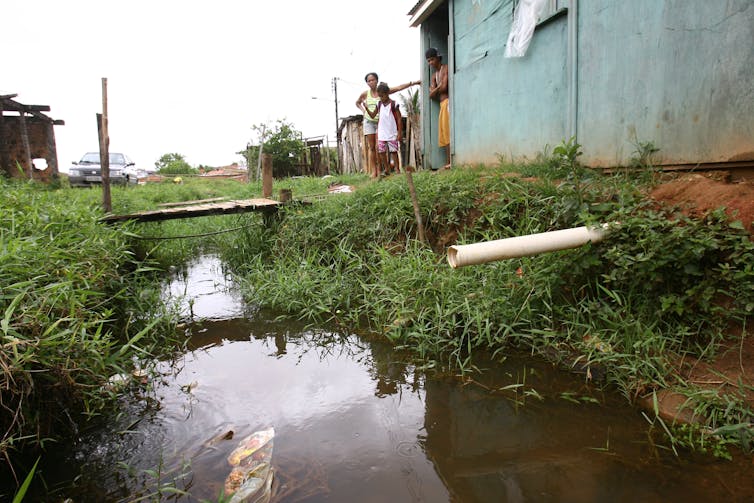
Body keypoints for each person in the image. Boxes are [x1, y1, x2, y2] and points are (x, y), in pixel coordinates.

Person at [356, 73, 419, 178]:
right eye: (369, 81)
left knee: (389, 150)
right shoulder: (370, 97)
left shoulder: (390, 99)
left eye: (373, 80)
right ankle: (379, 170)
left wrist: (414, 83)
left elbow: (399, 89)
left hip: (387, 128)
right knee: (376, 149)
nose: (371, 82)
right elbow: (363, 107)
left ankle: (392, 170)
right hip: (375, 126)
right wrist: (364, 110)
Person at [365, 82, 403, 176]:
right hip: (382, 132)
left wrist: (399, 133)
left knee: (393, 151)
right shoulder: (379, 104)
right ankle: (387, 169)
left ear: (387, 93)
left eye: (382, 96)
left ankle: (397, 170)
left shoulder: (394, 104)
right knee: (381, 151)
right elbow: (373, 115)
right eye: (380, 96)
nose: (381, 98)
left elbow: (399, 119)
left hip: (392, 131)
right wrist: (366, 108)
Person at [426, 47, 451, 169]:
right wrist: (437, 88)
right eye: (428, 61)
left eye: (431, 59)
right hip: (441, 105)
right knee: (444, 134)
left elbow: (445, 87)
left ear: (437, 57)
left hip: (447, 102)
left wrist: (435, 89)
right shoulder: (434, 76)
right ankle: (448, 163)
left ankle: (450, 162)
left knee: (448, 132)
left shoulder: (446, 68)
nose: (430, 63)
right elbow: (430, 95)